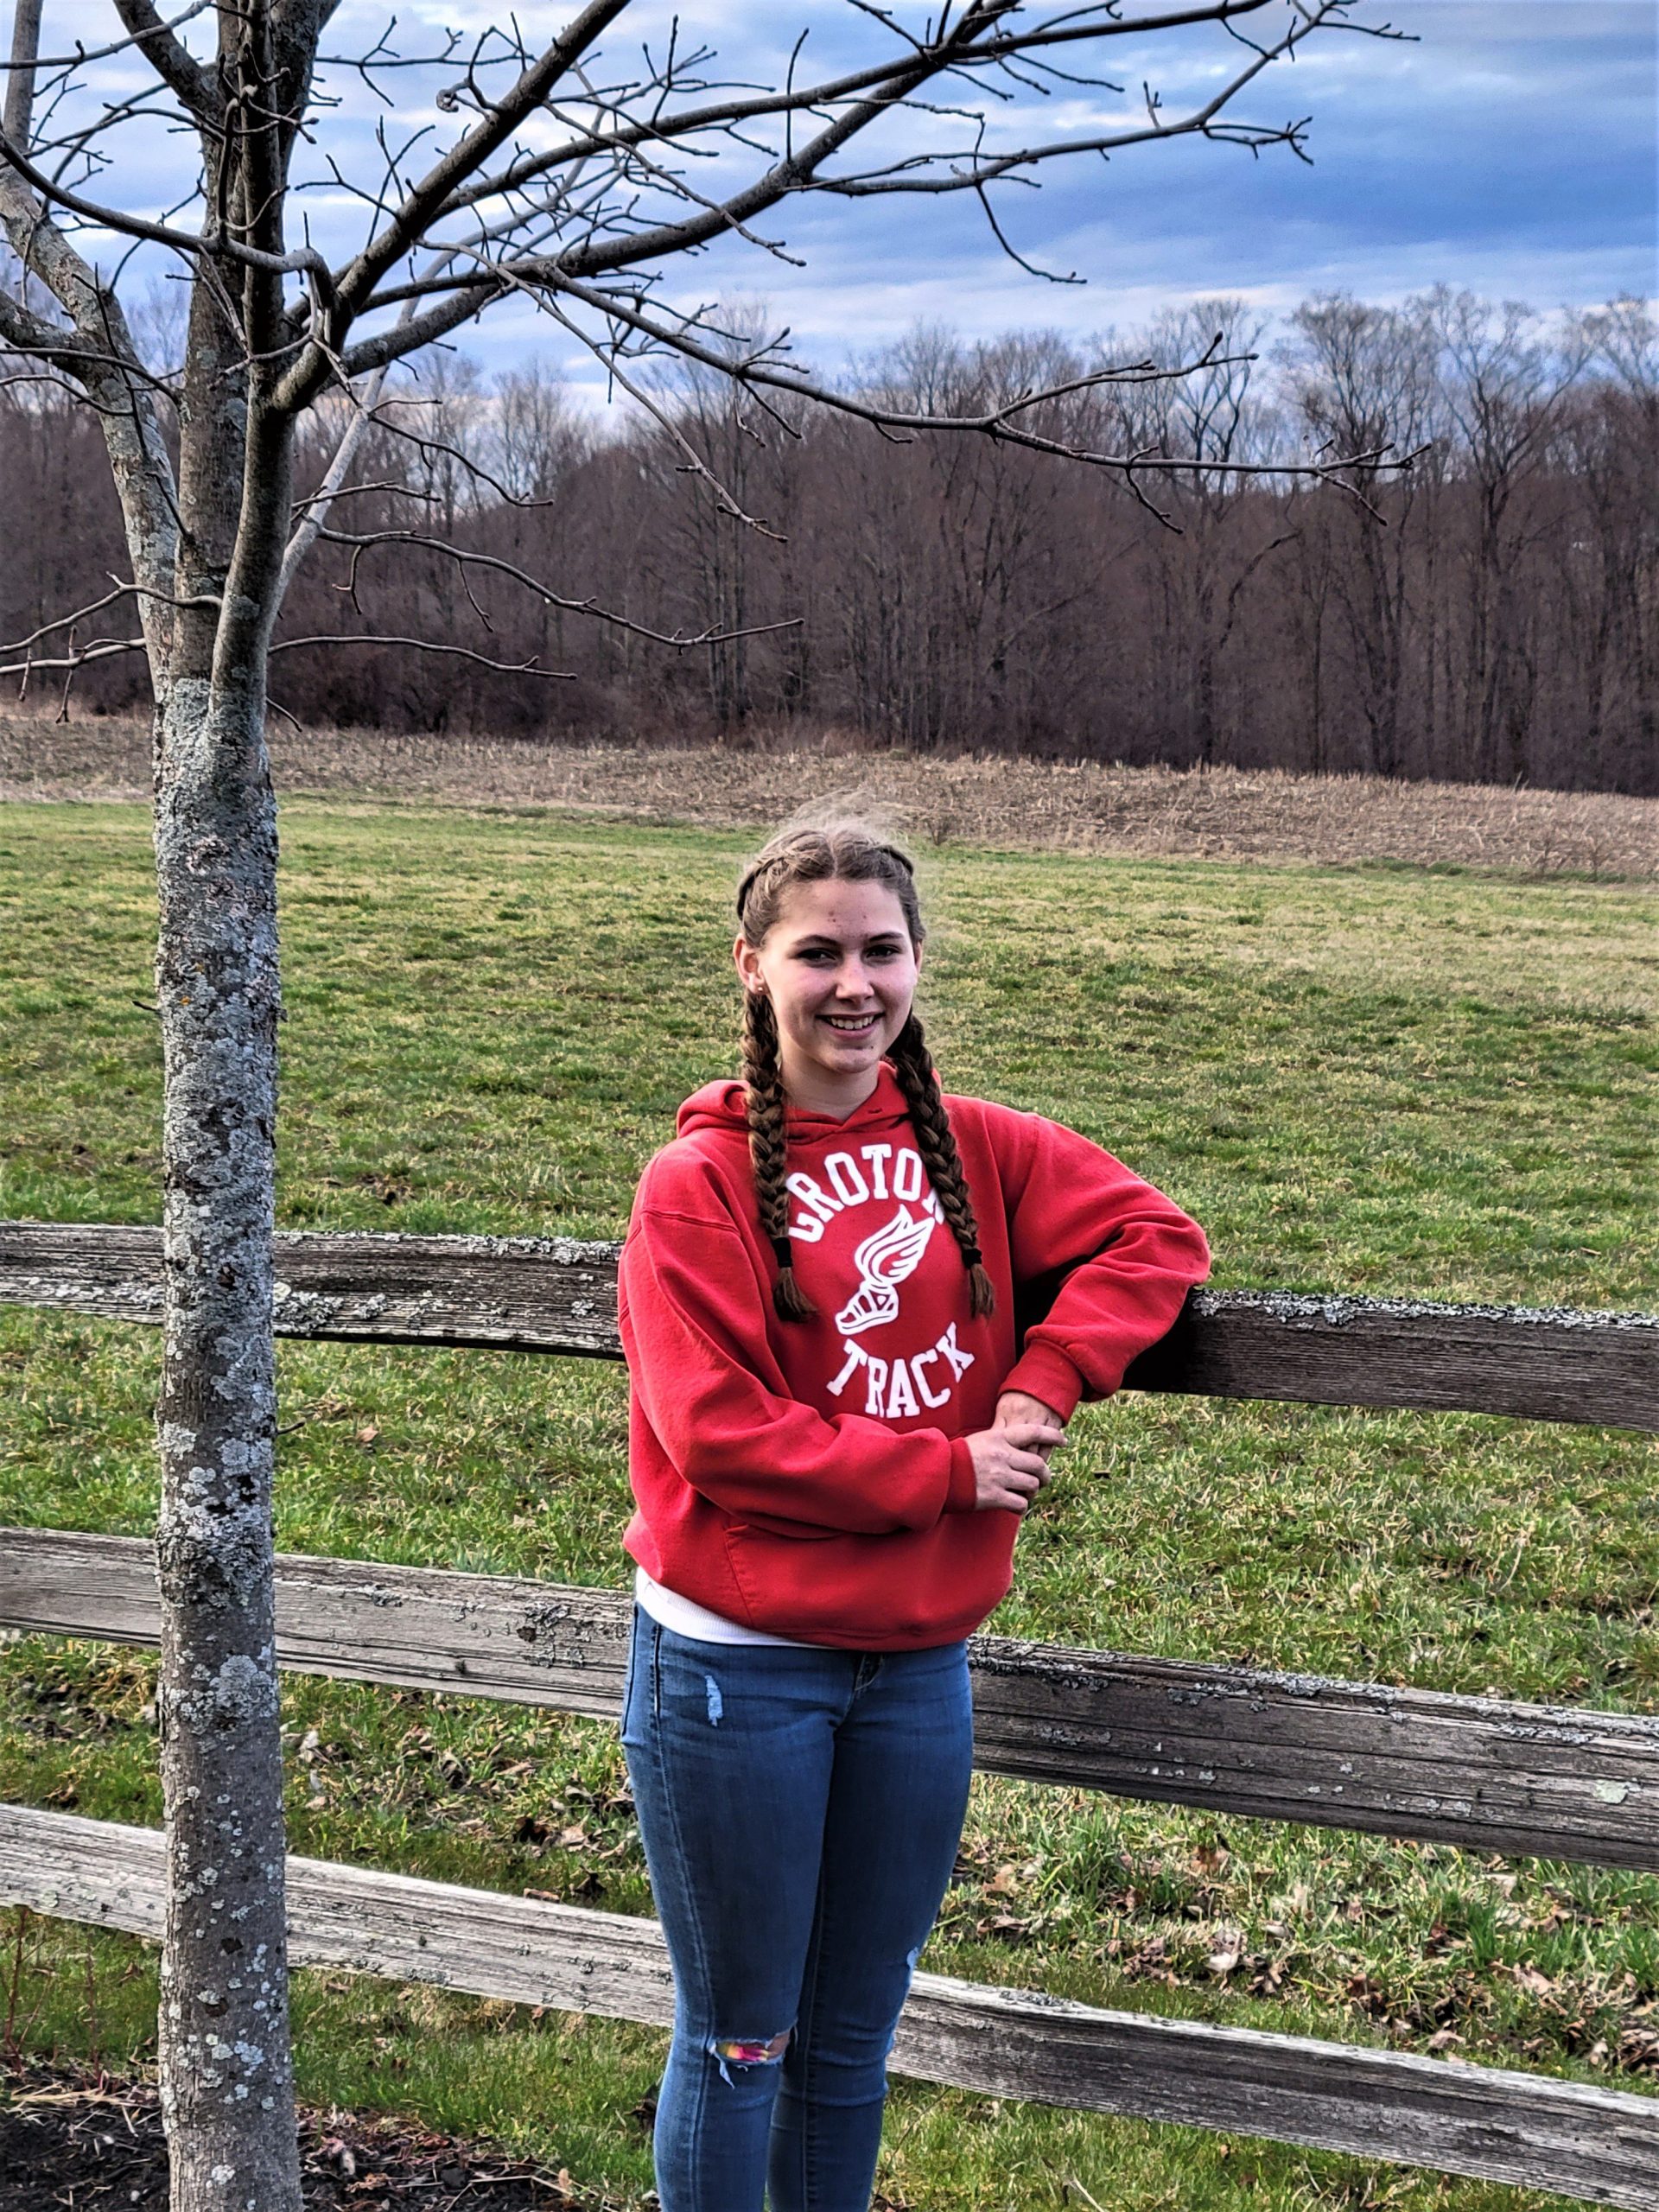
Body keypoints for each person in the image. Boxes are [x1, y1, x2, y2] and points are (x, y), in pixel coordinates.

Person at [616, 819, 1210, 2212]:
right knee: (743, 2041)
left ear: (917, 963)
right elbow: (717, 1436)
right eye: (817, 951)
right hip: (735, 1673)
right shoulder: (694, 1185)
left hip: (918, 1672)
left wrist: (1045, 1382)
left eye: (881, 949)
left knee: (847, 2047)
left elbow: (1158, 1238)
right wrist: (947, 1473)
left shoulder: (980, 1150)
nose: (854, 983)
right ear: (753, 970)